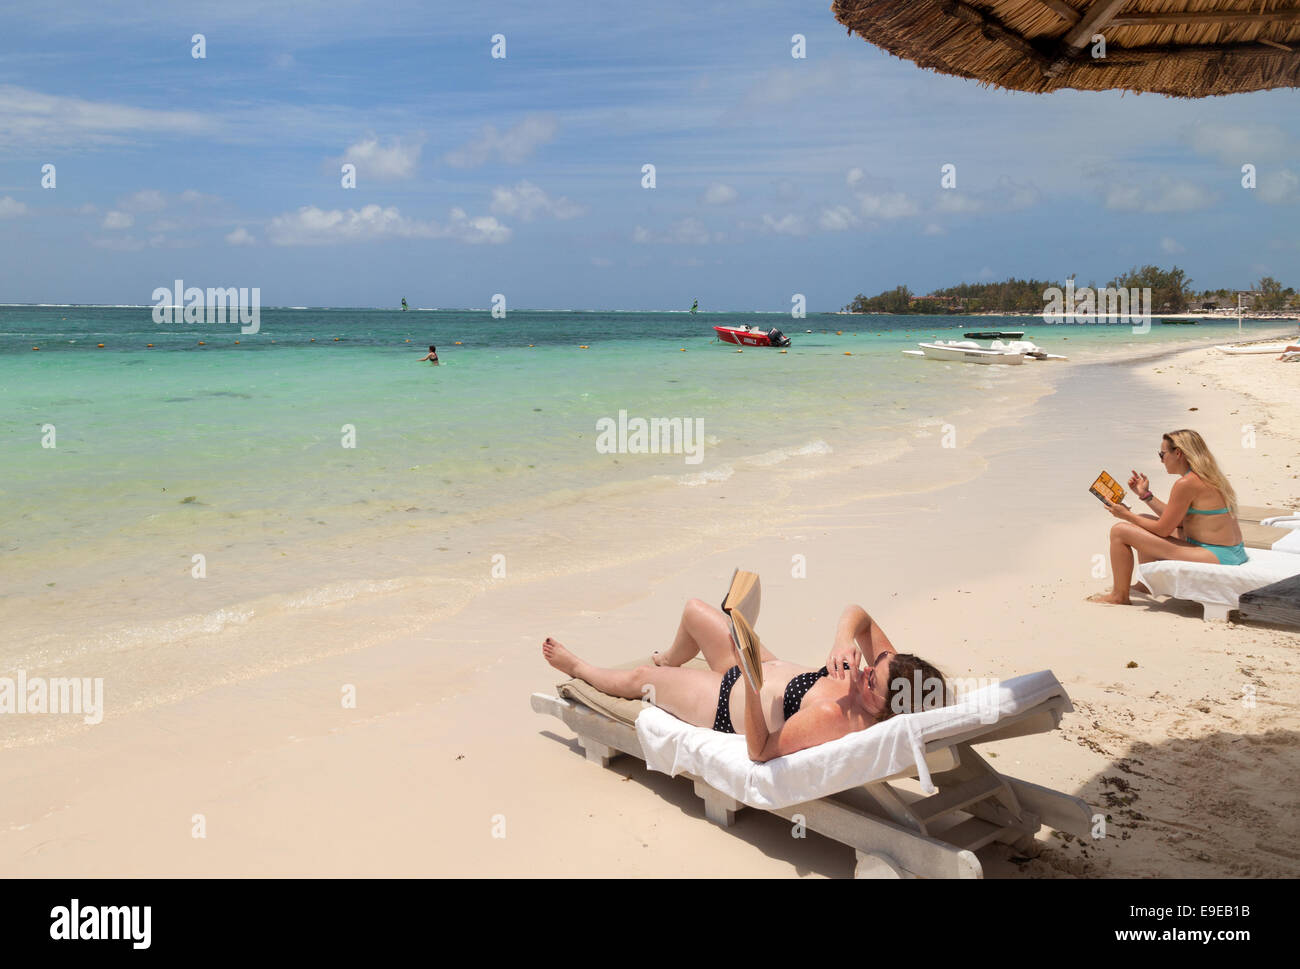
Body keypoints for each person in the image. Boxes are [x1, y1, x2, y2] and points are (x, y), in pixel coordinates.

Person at [542, 600, 948, 763]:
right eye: (871, 665)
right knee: (696, 611)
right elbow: (860, 615)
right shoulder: (897, 676)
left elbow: (761, 750)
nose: (862, 672)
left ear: (886, 709)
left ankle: (579, 669)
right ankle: (670, 657)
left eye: (869, 682)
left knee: (642, 678)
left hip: (724, 701)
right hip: (760, 667)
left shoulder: (834, 717)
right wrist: (844, 640)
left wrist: (753, 687)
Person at [1089, 428, 1245, 606]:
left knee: (1119, 531)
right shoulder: (1206, 476)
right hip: (1230, 551)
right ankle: (1145, 584)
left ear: (1177, 453)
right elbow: (1178, 520)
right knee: (1144, 520)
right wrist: (1146, 495)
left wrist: (1126, 516)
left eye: (1162, 454)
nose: (1161, 460)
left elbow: (1163, 530)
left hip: (1218, 555)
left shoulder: (1186, 484)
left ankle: (1119, 596)